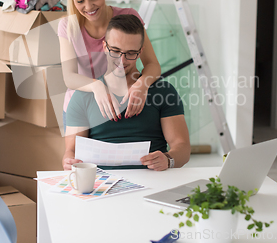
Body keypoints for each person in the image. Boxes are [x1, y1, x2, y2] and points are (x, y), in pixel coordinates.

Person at [62, 14, 190, 171]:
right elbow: (71, 151)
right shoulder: (83, 96)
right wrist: (69, 161)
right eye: (115, 51)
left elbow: (182, 147)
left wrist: (168, 159)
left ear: (140, 51)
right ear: (104, 47)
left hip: (153, 180)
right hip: (101, 185)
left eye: (131, 53)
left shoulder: (163, 92)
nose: (122, 61)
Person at [58, 0, 161, 127]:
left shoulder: (128, 16)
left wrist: (142, 84)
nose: (89, 7)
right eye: (80, 1)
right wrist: (97, 86)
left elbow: (153, 65)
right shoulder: (67, 26)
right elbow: (69, 77)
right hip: (81, 109)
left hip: (122, 105)